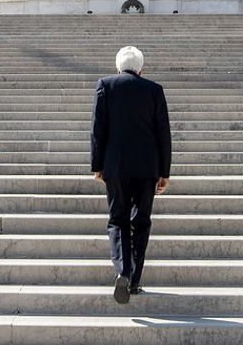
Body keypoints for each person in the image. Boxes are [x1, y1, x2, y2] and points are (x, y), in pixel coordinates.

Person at [91, 45, 171, 304]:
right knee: (142, 221)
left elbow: (98, 129)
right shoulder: (154, 90)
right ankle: (134, 281)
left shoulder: (106, 85)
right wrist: (164, 171)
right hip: (147, 167)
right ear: (141, 69)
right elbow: (163, 134)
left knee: (118, 220)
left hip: (115, 166)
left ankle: (122, 271)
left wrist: (98, 165)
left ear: (118, 67)